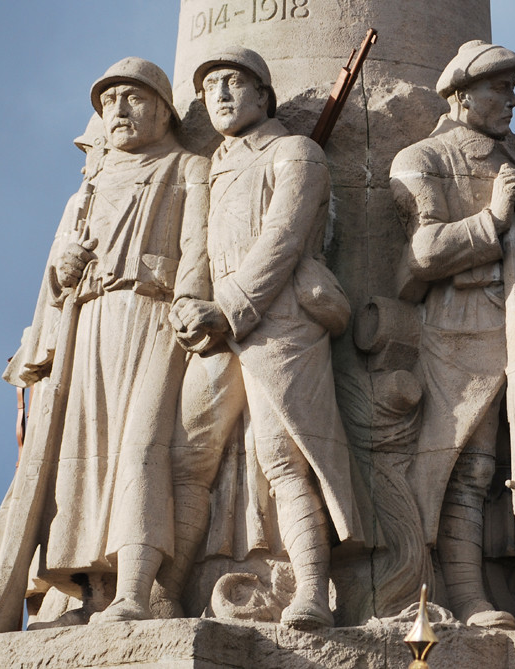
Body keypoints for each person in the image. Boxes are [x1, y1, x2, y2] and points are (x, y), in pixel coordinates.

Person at [0, 57, 210, 631]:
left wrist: (189, 306)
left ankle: (135, 588)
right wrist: (62, 269)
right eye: (109, 102)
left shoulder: (187, 167)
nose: (119, 111)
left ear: (163, 108)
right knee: (79, 462)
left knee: (141, 446)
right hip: (88, 323)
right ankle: (88, 591)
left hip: (153, 317)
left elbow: (197, 247)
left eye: (134, 98)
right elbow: (52, 275)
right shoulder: (88, 189)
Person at [161, 46, 363, 629]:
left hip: (280, 318)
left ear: (263, 94)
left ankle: (311, 593)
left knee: (285, 456)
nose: (219, 95)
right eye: (210, 87)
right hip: (216, 326)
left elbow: (283, 238)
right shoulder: (217, 165)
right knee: (188, 453)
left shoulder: (296, 152)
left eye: (233, 83)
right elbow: (197, 250)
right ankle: (165, 592)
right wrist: (185, 305)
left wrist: (225, 309)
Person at [390, 40, 515, 629]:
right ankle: (468, 596)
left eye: (512, 89)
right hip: (460, 326)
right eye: (497, 89)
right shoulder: (421, 157)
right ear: (460, 94)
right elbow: (423, 252)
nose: (510, 100)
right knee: (470, 467)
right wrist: (492, 219)